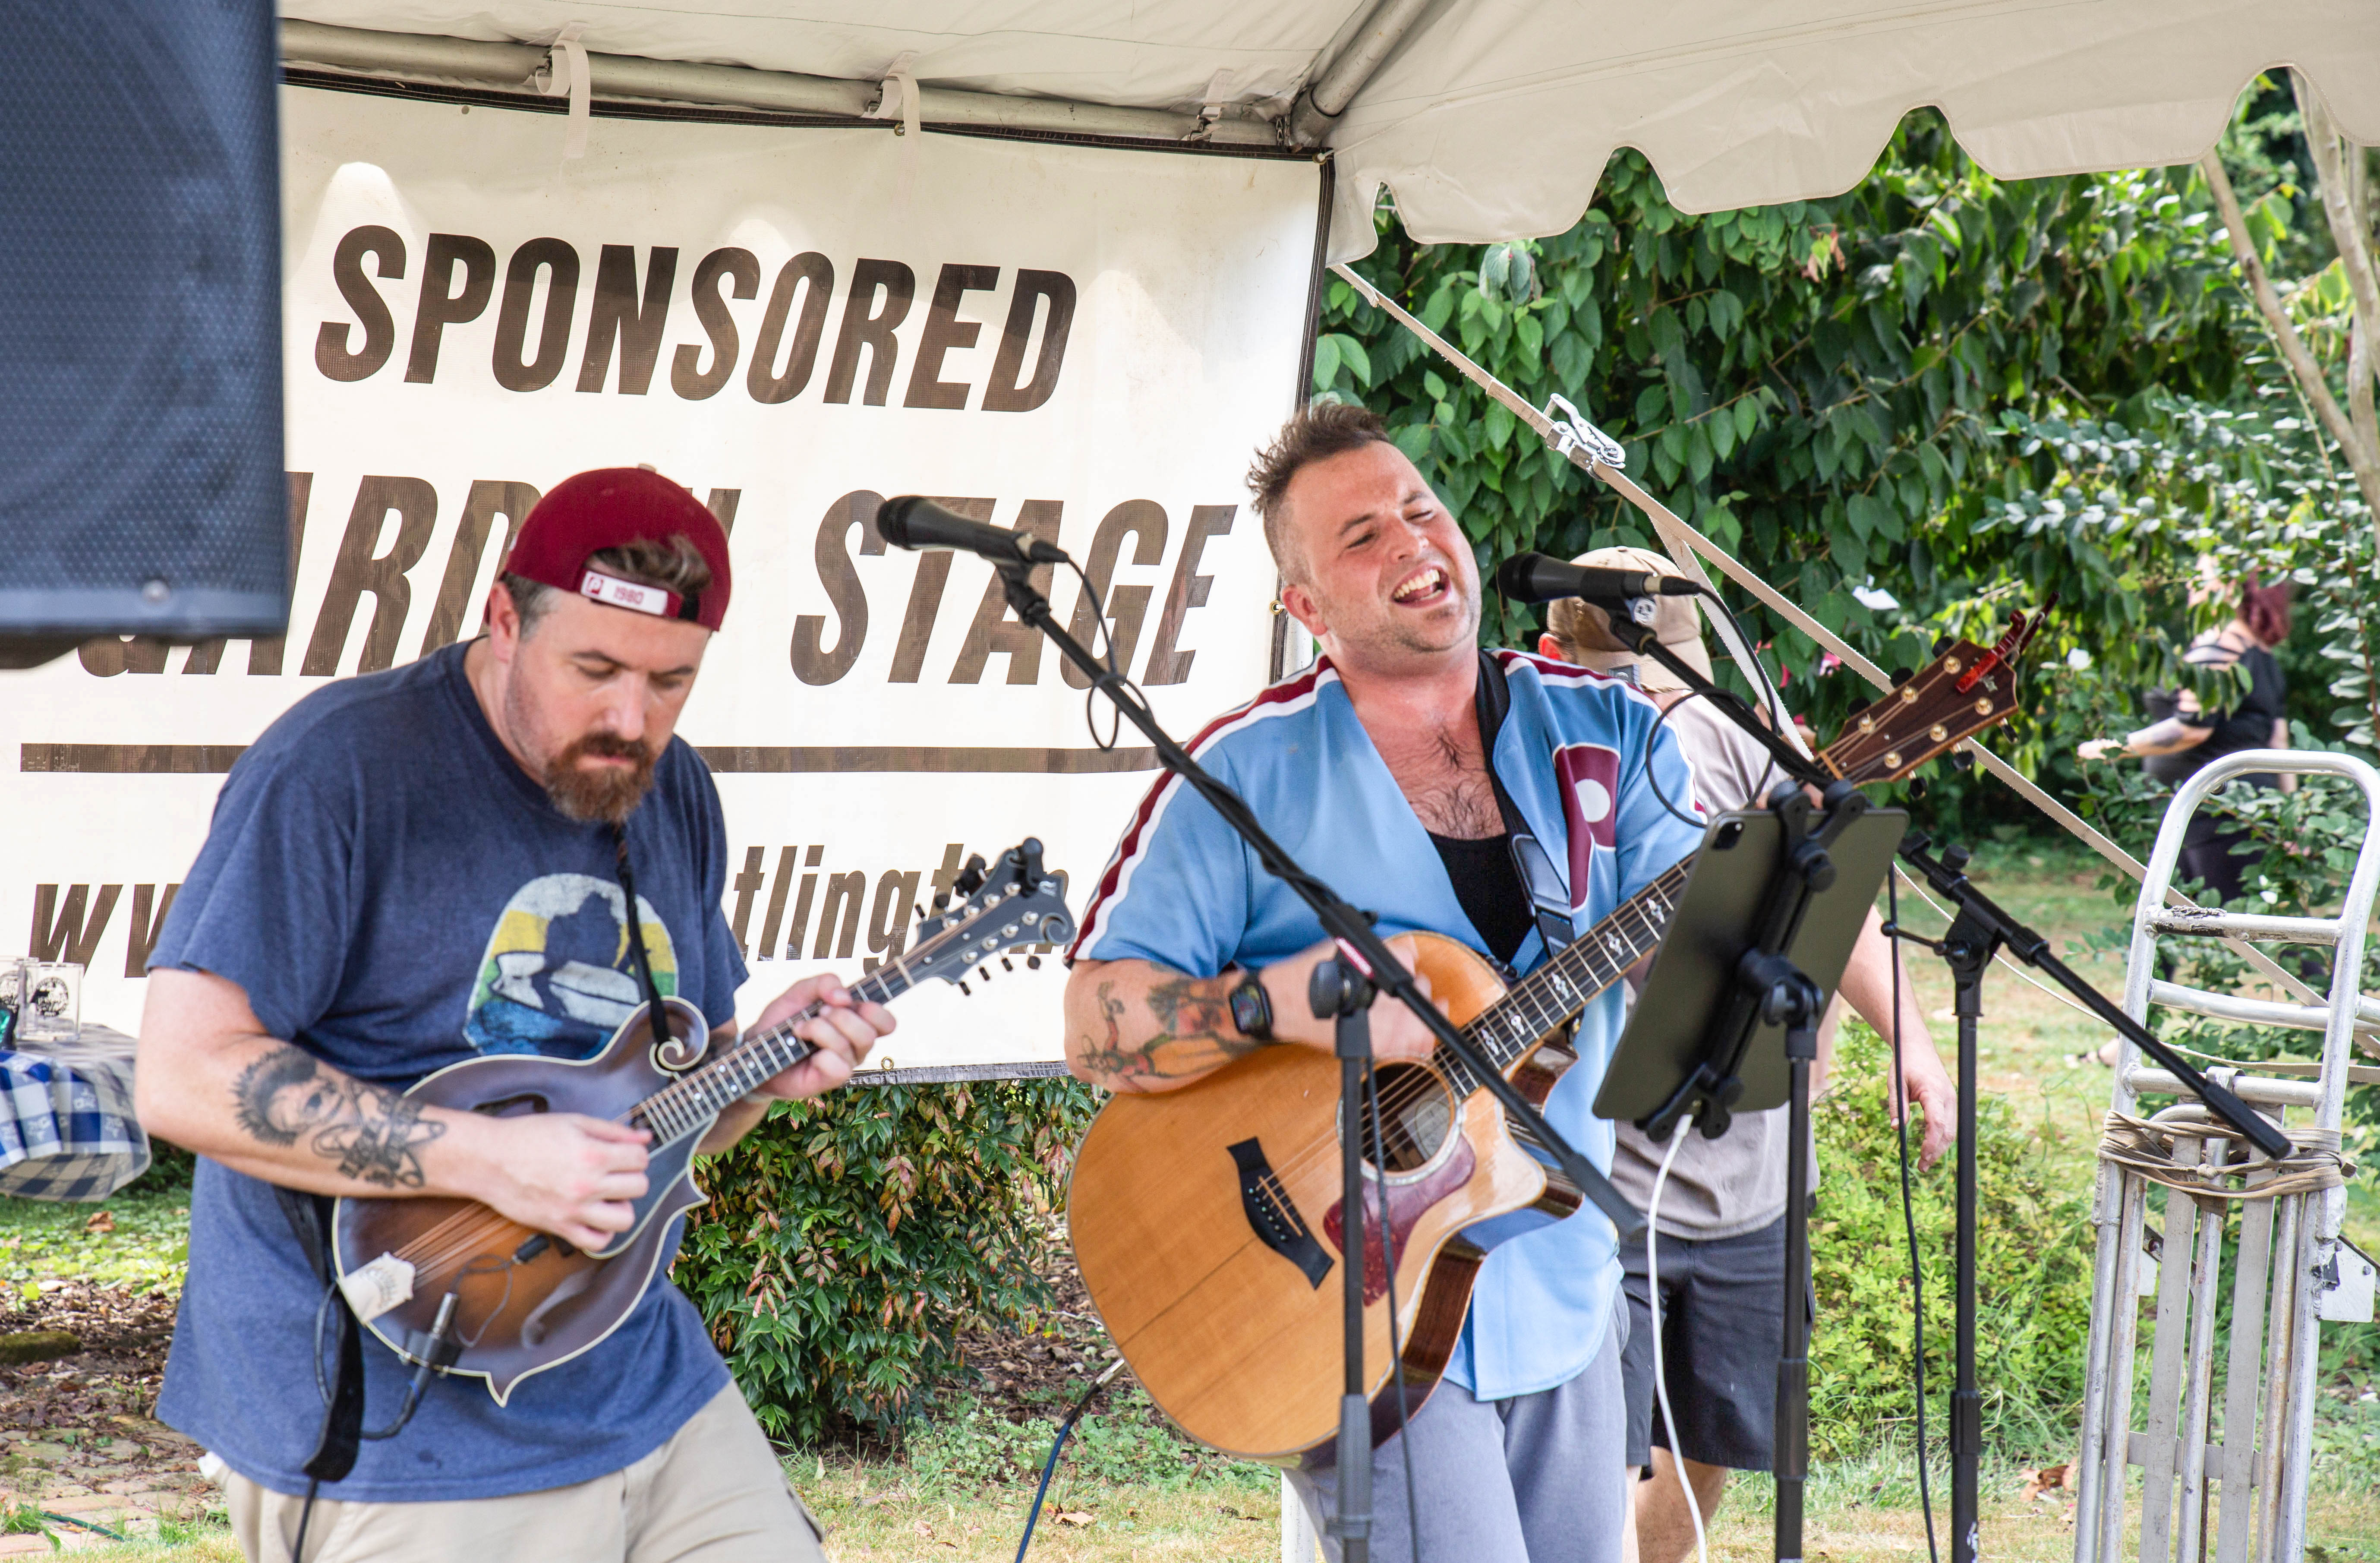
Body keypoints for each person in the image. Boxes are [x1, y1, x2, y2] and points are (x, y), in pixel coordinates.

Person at [135, 468, 895, 1563]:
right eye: (594, 669)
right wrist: (487, 1158)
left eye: (670, 682)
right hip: (401, 1427)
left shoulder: (669, 792)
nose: (630, 718)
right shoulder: (341, 770)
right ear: (504, 618)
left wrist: (758, 1074)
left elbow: (670, 1124)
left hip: (641, 1388)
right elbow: (185, 1073)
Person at [1063, 402, 1709, 1563]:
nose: (1413, 542)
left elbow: (1699, 950)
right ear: (1304, 608)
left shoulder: (1608, 728)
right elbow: (1095, 1026)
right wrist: (1272, 1003)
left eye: (1421, 508)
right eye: (1361, 533)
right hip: (1351, 1305)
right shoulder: (1241, 776)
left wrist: (1752, 908)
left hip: (1563, 1275)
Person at [1541, 550, 1954, 1563]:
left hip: (1747, 1173)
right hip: (1593, 1174)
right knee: (1590, 1439)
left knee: (1719, 1430)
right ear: (1550, 657)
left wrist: (1910, 1036)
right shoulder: (1528, 755)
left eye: (1664, 676)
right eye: (1625, 679)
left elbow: (1831, 888)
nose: (1653, 703)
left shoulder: (1731, 738)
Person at [2076, 574, 2295, 906]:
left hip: (2210, 812)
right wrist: (2288, 816)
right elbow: (2279, 741)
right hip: (2237, 807)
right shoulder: (2259, 650)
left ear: (2231, 588)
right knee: (2208, 921)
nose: (2191, 585)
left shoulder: (2220, 647)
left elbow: (2192, 728)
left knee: (2234, 929)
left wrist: (2108, 748)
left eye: (2202, 578)